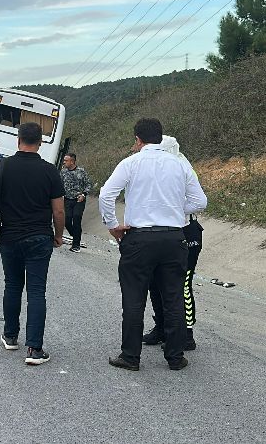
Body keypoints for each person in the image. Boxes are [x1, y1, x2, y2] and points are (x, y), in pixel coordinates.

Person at [99, 118, 207, 371]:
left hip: (139, 239)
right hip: (173, 237)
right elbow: (200, 201)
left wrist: (113, 225)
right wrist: (175, 212)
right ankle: (175, 356)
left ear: (138, 139)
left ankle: (130, 357)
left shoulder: (131, 163)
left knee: (134, 298)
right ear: (161, 137)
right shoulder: (179, 165)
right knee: (173, 298)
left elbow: (106, 194)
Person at [0, 122, 65, 366]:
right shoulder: (50, 171)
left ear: (19, 140)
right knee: (37, 291)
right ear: (40, 142)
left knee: (12, 285)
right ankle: (34, 349)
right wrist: (58, 235)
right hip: (39, 237)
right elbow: (58, 211)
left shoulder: (3, 166)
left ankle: (10, 336)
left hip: (9, 236)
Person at [142, 135, 204, 350]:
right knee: (154, 282)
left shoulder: (182, 167)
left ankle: (186, 334)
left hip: (186, 231)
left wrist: (172, 210)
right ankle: (162, 327)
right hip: (166, 232)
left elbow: (199, 202)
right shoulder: (161, 168)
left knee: (182, 285)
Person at [60, 153, 92, 253]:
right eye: (64, 160)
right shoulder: (63, 172)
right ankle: (75, 236)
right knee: (67, 221)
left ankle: (76, 245)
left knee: (77, 218)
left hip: (79, 200)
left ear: (72, 161)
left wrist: (83, 194)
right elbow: (59, 184)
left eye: (66, 160)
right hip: (67, 200)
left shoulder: (81, 172)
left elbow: (89, 184)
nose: (64, 162)